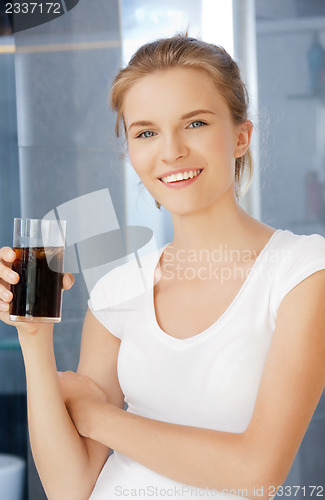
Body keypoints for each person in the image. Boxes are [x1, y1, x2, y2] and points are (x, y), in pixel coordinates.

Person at [1, 35, 325, 500]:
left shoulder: (301, 272)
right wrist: (33, 339)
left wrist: (98, 417)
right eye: (146, 132)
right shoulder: (118, 292)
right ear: (131, 152)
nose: (170, 151)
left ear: (240, 136)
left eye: (194, 123)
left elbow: (258, 472)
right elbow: (70, 487)